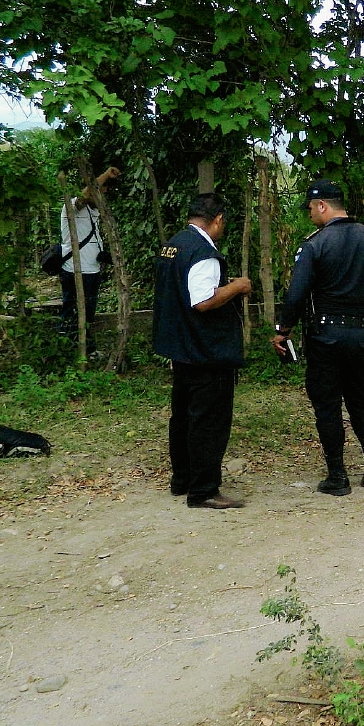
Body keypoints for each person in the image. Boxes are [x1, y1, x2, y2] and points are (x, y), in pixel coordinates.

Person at [271, 179, 364, 496]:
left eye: (311, 208)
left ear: (323, 205)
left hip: (325, 335)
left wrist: (282, 331)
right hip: (360, 333)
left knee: (327, 404)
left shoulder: (315, 244)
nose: (310, 214)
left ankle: (338, 476)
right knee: (362, 401)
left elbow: (296, 294)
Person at [153, 194, 252, 509]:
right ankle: (204, 490)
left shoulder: (172, 245)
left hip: (180, 349)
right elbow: (202, 300)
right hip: (207, 351)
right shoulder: (204, 252)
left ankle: (182, 479)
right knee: (208, 421)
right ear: (218, 218)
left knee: (182, 417)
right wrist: (238, 286)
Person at [58, 166, 120, 348]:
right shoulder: (72, 209)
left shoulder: (95, 213)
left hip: (92, 271)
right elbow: (85, 194)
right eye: (99, 193)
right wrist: (106, 174)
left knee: (89, 311)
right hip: (74, 270)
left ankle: (84, 346)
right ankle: (66, 347)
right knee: (70, 311)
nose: (101, 197)